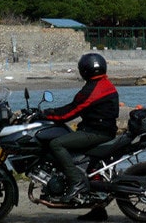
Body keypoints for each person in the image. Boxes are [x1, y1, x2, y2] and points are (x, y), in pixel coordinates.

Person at [40, 52, 119, 214]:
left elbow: (70, 112)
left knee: (56, 143)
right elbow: (74, 107)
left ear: (85, 70)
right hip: (102, 130)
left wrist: (46, 114)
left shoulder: (92, 89)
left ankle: (76, 181)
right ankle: (98, 210)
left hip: (96, 132)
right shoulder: (104, 84)